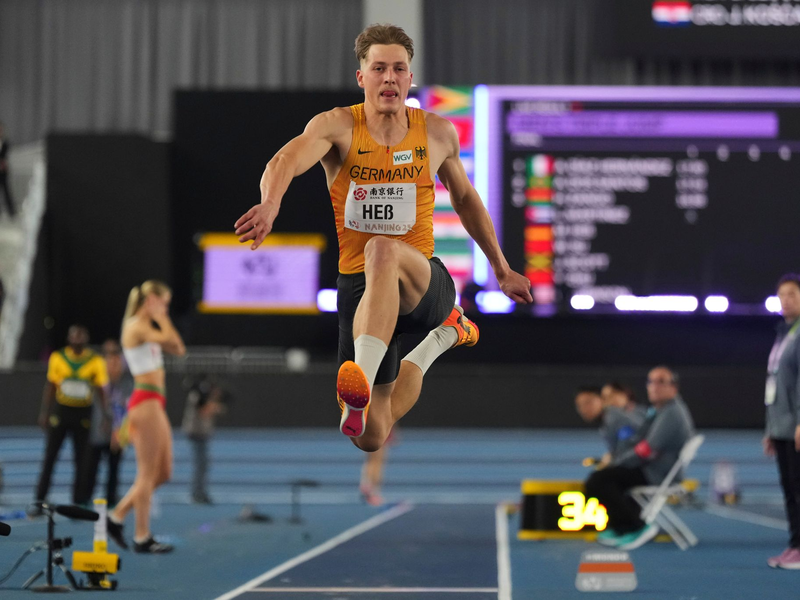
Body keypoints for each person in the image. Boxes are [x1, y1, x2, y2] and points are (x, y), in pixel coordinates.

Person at [234, 24, 532, 452]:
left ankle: (365, 368)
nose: (389, 78)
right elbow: (285, 158)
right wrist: (270, 204)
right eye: (379, 68)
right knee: (371, 436)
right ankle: (446, 336)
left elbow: (466, 200)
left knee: (382, 247)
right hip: (360, 290)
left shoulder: (436, 133)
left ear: (411, 78)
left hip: (422, 283)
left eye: (399, 69)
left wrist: (501, 270)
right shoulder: (337, 126)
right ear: (362, 78)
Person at [107, 280, 185, 554]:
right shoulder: (135, 326)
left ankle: (116, 516)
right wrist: (162, 318)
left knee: (163, 473)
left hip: (155, 402)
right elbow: (170, 340)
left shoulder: (149, 326)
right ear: (149, 299)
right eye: (162, 302)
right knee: (147, 473)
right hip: (145, 401)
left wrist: (161, 318)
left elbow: (178, 348)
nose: (164, 308)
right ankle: (142, 536)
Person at [584, 366, 694, 550]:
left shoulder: (672, 413)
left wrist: (618, 462)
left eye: (661, 382)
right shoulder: (662, 410)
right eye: (650, 382)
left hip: (657, 473)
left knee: (599, 480)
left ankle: (637, 527)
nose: (654, 387)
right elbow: (640, 440)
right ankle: (620, 527)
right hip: (654, 469)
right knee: (609, 477)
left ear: (674, 387)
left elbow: (646, 450)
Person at [33, 325, 109, 513]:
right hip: (62, 411)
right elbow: (50, 387)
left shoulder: (95, 361)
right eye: (74, 336)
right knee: (50, 457)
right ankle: (39, 500)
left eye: (80, 336)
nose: (77, 339)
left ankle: (79, 501)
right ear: (68, 338)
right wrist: (45, 413)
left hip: (84, 412)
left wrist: (106, 415)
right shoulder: (58, 358)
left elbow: (101, 390)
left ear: (86, 339)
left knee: (82, 460)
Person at [764, 273, 800, 569]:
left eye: (792, 294)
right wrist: (770, 428)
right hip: (782, 426)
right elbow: (774, 384)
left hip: (797, 425)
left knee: (799, 488)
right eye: (782, 295)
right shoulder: (783, 333)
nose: (785, 301)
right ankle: (794, 544)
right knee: (789, 487)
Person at [79, 340, 132, 507]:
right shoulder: (97, 382)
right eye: (109, 362)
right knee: (91, 467)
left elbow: (128, 410)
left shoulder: (128, 384)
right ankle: (85, 497)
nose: (113, 366)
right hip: (98, 430)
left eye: (116, 363)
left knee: (114, 467)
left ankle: (111, 498)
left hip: (118, 432)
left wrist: (120, 430)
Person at [574, 386, 645, 470]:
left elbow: (630, 447)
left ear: (602, 400)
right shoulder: (608, 421)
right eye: (579, 406)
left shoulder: (614, 418)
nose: (584, 409)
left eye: (588, 402)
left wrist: (612, 461)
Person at [181, 374, 225, 504]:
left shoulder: (200, 395)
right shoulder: (199, 396)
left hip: (200, 433)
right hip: (197, 433)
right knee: (201, 465)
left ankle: (199, 491)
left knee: (202, 465)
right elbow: (204, 411)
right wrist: (216, 405)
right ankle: (197, 493)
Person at [0, 122, 15, 218]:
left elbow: (5, 156)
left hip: (3, 171)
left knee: (6, 191)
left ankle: (11, 212)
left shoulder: (5, 142)